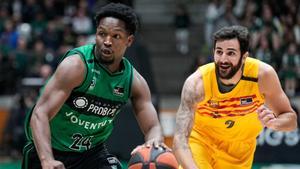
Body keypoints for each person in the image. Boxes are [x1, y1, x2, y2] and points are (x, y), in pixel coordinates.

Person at [22, 3, 166, 169]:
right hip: (50, 149)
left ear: (129, 40)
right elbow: (40, 113)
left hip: (91, 153)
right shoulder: (76, 66)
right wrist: (47, 159)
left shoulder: (134, 81)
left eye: (116, 36)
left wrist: (154, 141)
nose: (107, 41)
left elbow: (152, 126)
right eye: (101, 34)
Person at [173, 25, 298, 169]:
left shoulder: (263, 76)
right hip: (201, 141)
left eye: (231, 53)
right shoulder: (197, 83)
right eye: (219, 52)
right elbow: (180, 139)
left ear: (244, 57)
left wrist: (274, 123)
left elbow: (291, 120)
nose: (223, 59)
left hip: (240, 152)